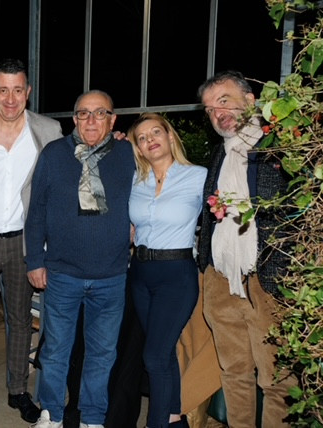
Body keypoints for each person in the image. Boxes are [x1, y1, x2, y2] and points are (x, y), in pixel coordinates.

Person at [0, 58, 62, 427]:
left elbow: (67, 172)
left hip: (24, 241)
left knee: (21, 321)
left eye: (17, 90)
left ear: (28, 92)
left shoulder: (49, 130)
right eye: (3, 90)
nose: (10, 98)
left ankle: (18, 390)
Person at [25, 89, 134, 428]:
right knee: (56, 350)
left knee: (102, 353)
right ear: (74, 119)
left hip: (112, 275)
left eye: (100, 113)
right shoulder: (54, 154)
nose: (91, 120)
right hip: (62, 273)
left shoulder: (129, 154)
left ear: (112, 120)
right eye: (84, 113)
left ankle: (92, 418)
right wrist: (34, 261)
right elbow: (36, 210)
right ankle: (51, 414)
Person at [197, 70, 296, 427]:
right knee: (234, 372)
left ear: (250, 100)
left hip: (266, 279)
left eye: (224, 101)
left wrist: (285, 274)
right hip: (221, 278)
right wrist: (207, 267)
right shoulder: (219, 154)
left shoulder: (282, 148)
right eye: (210, 109)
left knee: (277, 380)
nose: (218, 113)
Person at [127, 113, 207, 427]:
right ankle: (174, 419)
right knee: (164, 352)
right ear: (138, 148)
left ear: (170, 137)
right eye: (142, 137)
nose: (150, 140)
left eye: (156, 132)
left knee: (154, 356)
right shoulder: (136, 181)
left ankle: (156, 423)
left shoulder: (198, 176)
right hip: (140, 274)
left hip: (177, 275)